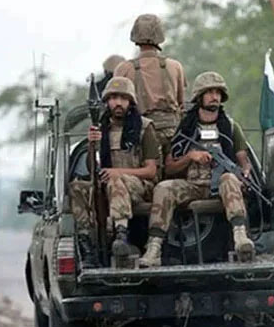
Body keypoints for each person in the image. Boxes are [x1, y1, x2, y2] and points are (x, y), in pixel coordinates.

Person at [139, 71, 255, 268]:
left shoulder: (230, 127)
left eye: (218, 92)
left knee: (229, 179)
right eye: (209, 92)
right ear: (199, 97)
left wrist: (244, 173)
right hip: (192, 185)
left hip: (220, 186)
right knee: (163, 188)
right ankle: (154, 248)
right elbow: (170, 166)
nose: (214, 97)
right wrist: (190, 157)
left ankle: (240, 238)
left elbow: (243, 159)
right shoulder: (185, 128)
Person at [69, 76, 160, 268]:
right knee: (77, 187)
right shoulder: (101, 128)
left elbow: (151, 171)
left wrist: (117, 172)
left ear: (130, 101)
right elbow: (94, 170)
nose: (118, 103)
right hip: (107, 184)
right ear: (107, 102)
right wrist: (93, 144)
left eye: (123, 98)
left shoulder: (144, 128)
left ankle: (121, 234)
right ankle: (87, 246)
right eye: (113, 97)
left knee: (115, 181)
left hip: (139, 186)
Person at [114, 14, 187, 163]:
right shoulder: (175, 66)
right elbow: (181, 104)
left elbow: (115, 103)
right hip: (172, 133)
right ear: (160, 35)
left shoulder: (124, 69)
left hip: (139, 133)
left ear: (135, 36)